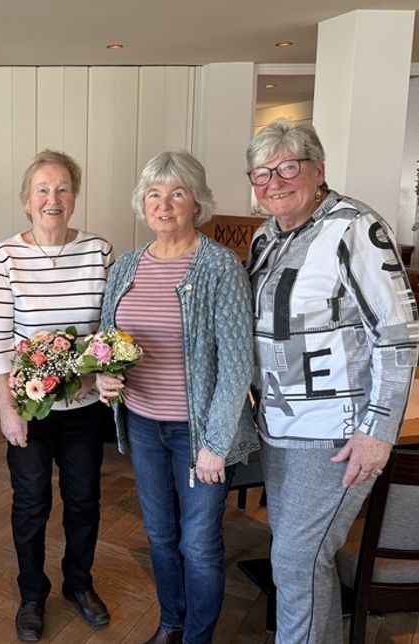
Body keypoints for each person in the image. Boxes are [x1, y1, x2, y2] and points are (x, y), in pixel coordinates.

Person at [245, 120, 419, 643]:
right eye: (262, 173)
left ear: (318, 170)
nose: (275, 181)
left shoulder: (355, 229)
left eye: (288, 168)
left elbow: (398, 337)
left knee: (300, 560)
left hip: (336, 436)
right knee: (294, 558)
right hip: (278, 427)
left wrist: (378, 431)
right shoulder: (264, 237)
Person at [96, 151, 258, 644]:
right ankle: (171, 624)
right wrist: (105, 378)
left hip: (199, 432)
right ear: (142, 203)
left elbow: (237, 363)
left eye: (177, 194)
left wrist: (216, 443)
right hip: (143, 424)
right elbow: (107, 341)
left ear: (197, 203)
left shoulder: (219, 267)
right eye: (154, 195)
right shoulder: (125, 267)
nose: (164, 205)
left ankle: (197, 638)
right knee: (161, 537)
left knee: (200, 543)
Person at [0, 149, 115, 641]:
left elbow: (111, 328)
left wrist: (101, 371)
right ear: (25, 200)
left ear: (75, 198)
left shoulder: (100, 251)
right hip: (29, 408)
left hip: (83, 408)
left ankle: (78, 584)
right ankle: (32, 593)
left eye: (62, 189)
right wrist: (6, 408)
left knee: (84, 500)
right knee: (30, 504)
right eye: (42, 189)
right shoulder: (5, 256)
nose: (52, 198)